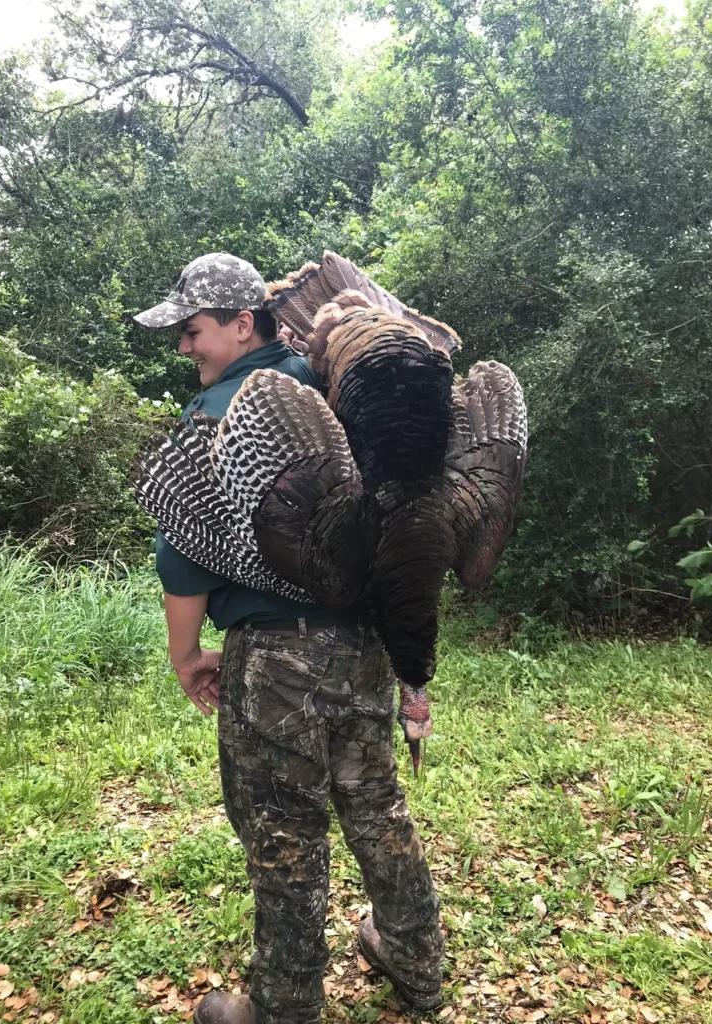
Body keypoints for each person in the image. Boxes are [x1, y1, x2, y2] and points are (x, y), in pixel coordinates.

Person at [134, 252, 444, 1024]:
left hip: (274, 658)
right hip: (365, 646)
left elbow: (183, 548)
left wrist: (185, 656)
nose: (185, 348)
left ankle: (281, 1007)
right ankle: (414, 958)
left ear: (243, 325)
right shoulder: (343, 394)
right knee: (376, 806)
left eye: (193, 330)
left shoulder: (229, 408)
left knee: (284, 832)